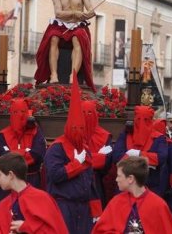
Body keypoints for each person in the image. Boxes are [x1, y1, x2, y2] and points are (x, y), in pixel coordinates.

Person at [44, 73, 101, 233]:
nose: (78, 132)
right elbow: (55, 175)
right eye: (75, 128)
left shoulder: (85, 148)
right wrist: (76, 164)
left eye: (81, 129)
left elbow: (91, 182)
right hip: (63, 206)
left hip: (83, 208)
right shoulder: (57, 148)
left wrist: (96, 209)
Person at [34, 0, 96, 91]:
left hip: (77, 24)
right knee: (53, 37)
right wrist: (75, 13)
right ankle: (54, 74)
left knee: (77, 37)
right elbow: (58, 13)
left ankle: (73, 76)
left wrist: (86, 15)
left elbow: (91, 11)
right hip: (61, 24)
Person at [92, 156, 172, 234]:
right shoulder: (116, 202)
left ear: (130, 179)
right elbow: (100, 231)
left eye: (119, 176)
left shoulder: (158, 204)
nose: (116, 179)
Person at [0, 152, 69, 234]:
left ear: (10, 175)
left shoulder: (42, 199)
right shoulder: (3, 205)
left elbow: (56, 231)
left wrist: (26, 227)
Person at [0, 99, 46, 207]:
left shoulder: (36, 132)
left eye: (22, 112)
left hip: (31, 179)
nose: (19, 116)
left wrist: (12, 153)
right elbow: (4, 157)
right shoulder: (3, 134)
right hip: (9, 182)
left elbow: (37, 155)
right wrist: (25, 152)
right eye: (15, 112)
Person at [113, 106, 168, 197]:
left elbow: (161, 158)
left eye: (145, 119)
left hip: (150, 184)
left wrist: (139, 154)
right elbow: (116, 156)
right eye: (138, 119)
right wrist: (148, 160)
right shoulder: (125, 135)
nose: (142, 123)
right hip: (126, 185)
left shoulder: (159, 138)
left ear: (151, 120)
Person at [81, 100, 113, 206]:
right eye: (83, 113)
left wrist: (82, 159)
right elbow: (69, 156)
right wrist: (96, 157)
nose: (86, 116)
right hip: (76, 182)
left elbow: (106, 161)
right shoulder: (73, 133)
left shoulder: (104, 136)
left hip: (96, 181)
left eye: (90, 113)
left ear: (95, 114)